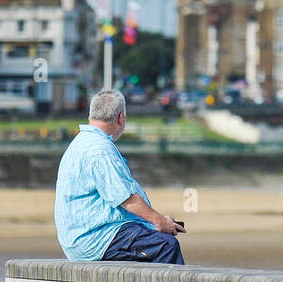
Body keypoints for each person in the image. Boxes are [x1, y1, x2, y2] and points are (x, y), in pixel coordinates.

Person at [54, 89, 185, 264]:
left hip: (82, 237)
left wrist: (156, 223)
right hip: (96, 239)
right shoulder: (99, 150)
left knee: (151, 241)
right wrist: (159, 221)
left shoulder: (81, 142)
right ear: (121, 118)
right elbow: (125, 198)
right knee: (166, 246)